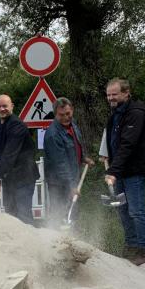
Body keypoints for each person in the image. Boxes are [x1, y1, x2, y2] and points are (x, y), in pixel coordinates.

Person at [104, 78, 145, 266]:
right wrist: (107, 156)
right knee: (122, 209)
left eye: (115, 94)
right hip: (120, 169)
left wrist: (113, 170)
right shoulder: (116, 113)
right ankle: (131, 245)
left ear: (126, 93)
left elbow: (128, 145)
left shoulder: (136, 113)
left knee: (136, 210)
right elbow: (112, 139)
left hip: (135, 169)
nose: (111, 97)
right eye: (108, 94)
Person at [43, 97, 94, 227]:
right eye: (61, 115)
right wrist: (71, 185)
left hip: (71, 178)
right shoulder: (53, 134)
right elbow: (60, 163)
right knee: (60, 212)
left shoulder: (73, 126)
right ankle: (55, 240)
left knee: (72, 211)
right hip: (59, 183)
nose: (66, 117)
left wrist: (83, 158)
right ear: (55, 114)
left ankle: (72, 241)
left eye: (68, 113)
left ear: (72, 110)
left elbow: (75, 146)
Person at [0, 94, 41, 225]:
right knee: (10, 214)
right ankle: (14, 244)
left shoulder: (17, 125)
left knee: (23, 214)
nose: (2, 109)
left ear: (12, 106)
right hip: (10, 178)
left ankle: (29, 242)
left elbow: (10, 153)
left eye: (5, 106)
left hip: (24, 177)